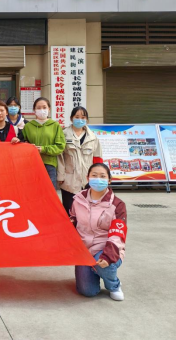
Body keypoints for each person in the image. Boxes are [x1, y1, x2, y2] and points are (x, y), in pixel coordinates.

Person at [71, 163, 127, 301]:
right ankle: (94, 271)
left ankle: (114, 285)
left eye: (102, 176)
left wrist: (108, 256)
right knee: (87, 291)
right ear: (88, 178)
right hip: (84, 249)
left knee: (105, 265)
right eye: (94, 175)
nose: (98, 179)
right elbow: (72, 220)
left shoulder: (117, 205)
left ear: (109, 180)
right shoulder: (78, 199)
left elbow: (117, 234)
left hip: (105, 247)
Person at [58, 106, 103, 215]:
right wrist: (61, 176)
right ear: (71, 118)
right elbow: (60, 157)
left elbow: (97, 158)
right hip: (69, 180)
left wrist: (97, 176)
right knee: (69, 210)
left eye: (83, 117)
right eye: (77, 117)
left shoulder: (92, 137)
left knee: (86, 211)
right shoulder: (63, 135)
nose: (80, 120)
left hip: (87, 180)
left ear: (87, 119)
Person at [22, 97, 65, 189]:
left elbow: (60, 146)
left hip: (50, 164)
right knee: (33, 191)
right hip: (31, 165)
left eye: (44, 107)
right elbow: (23, 144)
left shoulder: (55, 125)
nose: (42, 110)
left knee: (49, 192)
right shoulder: (28, 126)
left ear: (49, 109)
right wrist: (27, 146)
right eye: (38, 108)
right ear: (34, 110)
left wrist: (43, 149)